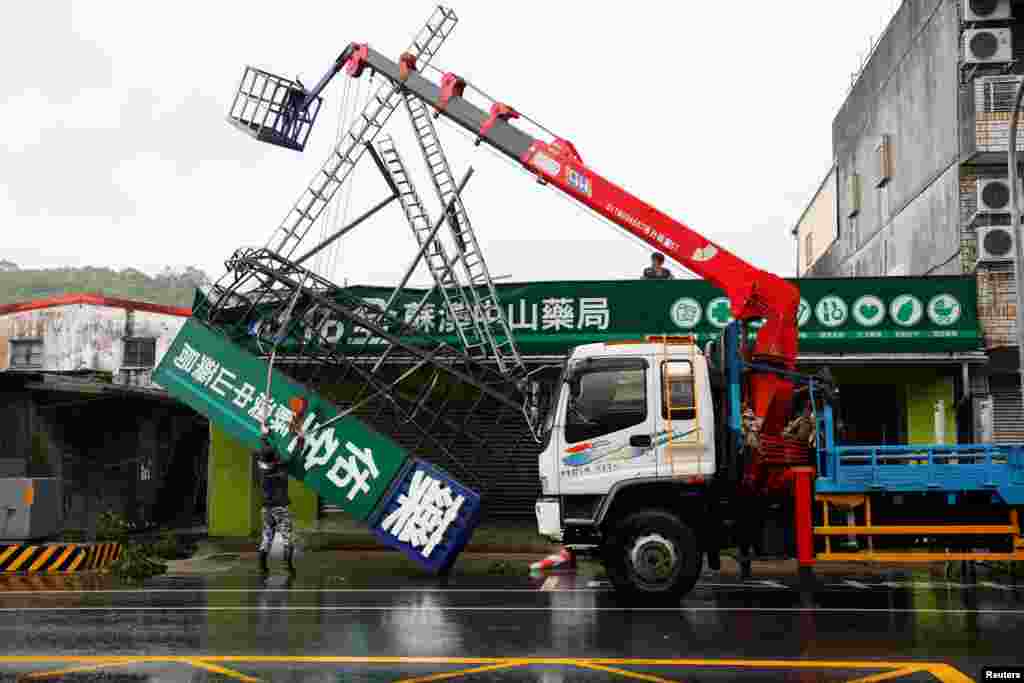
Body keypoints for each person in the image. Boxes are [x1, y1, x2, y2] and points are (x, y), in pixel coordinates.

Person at [254, 427, 295, 575]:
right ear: (275, 459)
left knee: (267, 537)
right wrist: (301, 439)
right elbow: (295, 456)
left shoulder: (261, 468)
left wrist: (264, 435)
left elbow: (264, 448)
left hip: (266, 508)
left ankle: (262, 566)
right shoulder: (282, 467)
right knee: (287, 538)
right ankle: (288, 567)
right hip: (281, 508)